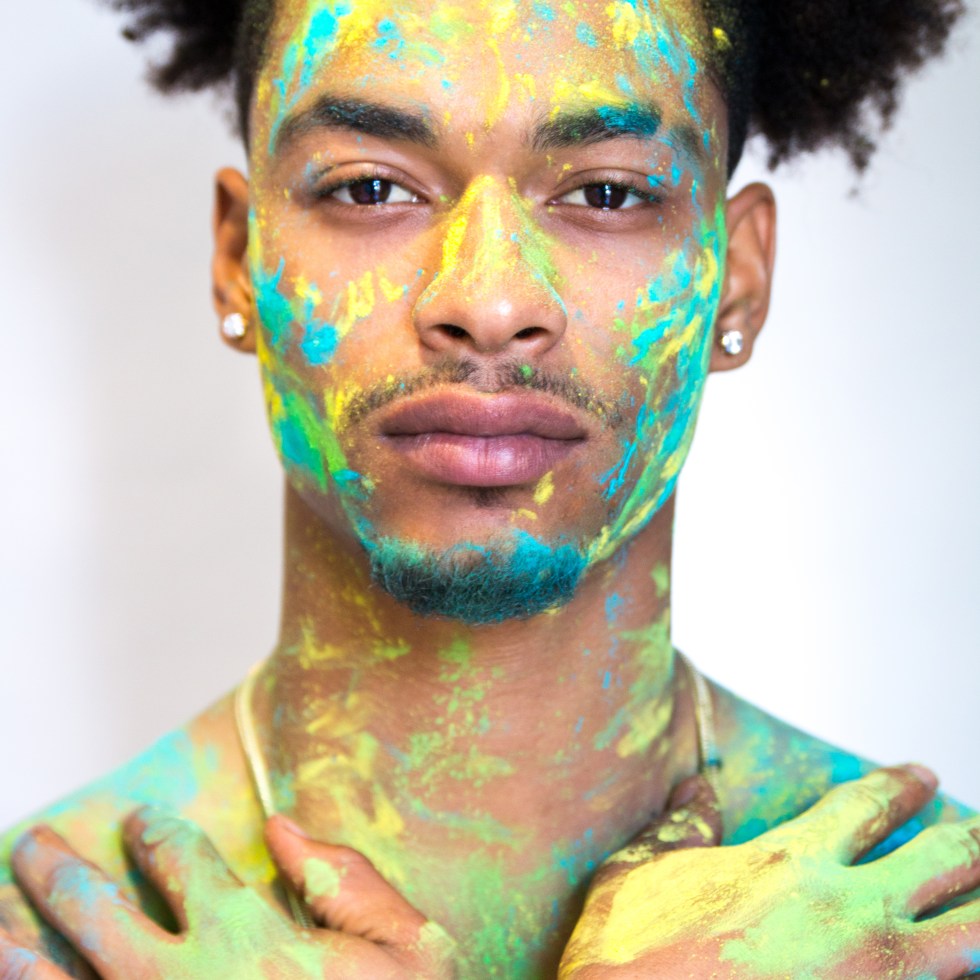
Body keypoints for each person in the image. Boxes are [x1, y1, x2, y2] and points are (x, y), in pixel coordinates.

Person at [1, 0, 977, 976]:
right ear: (236, 258)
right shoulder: (31, 937)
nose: (488, 301)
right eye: (370, 187)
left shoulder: (934, 926)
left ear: (739, 277)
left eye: (606, 194)